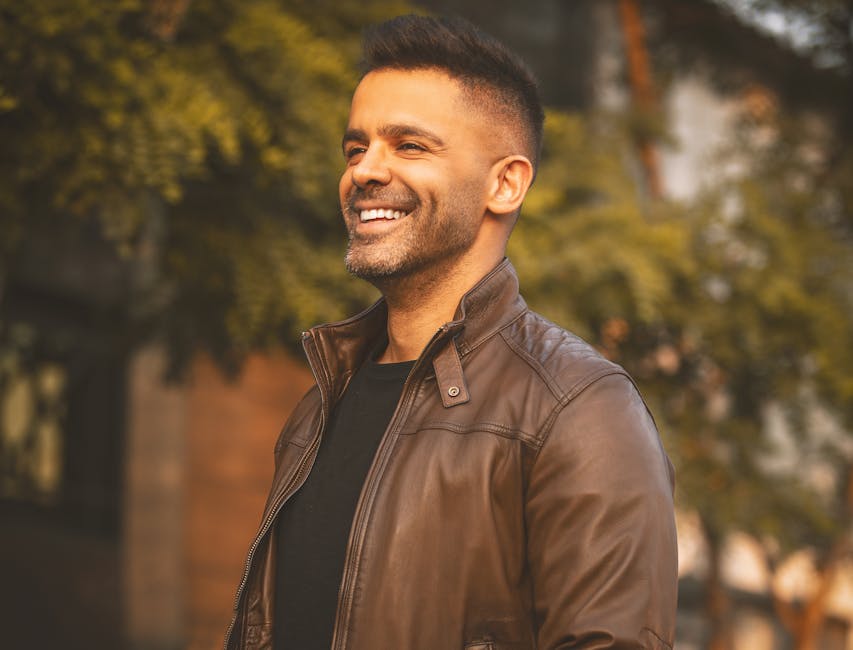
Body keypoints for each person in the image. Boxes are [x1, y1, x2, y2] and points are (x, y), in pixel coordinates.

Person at [225, 14, 677, 650]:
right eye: (356, 148)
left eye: (409, 146)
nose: (364, 172)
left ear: (505, 183)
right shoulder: (318, 407)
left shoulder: (579, 407)